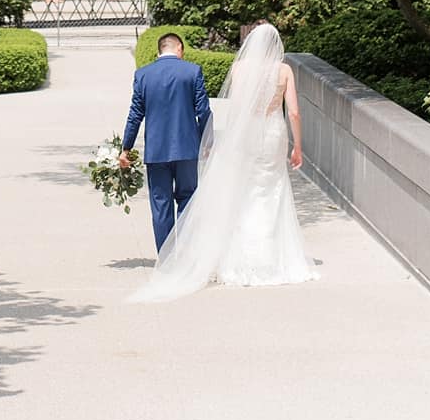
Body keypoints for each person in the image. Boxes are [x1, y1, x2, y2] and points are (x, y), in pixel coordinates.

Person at [130, 21, 315, 301]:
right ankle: (274, 258)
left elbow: (237, 106)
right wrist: (297, 145)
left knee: (244, 192)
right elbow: (296, 113)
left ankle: (232, 258)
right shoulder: (284, 70)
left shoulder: (240, 69)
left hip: (247, 134)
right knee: (271, 191)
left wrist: (226, 140)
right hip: (273, 134)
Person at [119, 31, 212, 251]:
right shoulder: (192, 71)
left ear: (159, 50)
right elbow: (204, 111)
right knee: (188, 200)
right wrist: (206, 142)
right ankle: (187, 258)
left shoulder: (143, 75)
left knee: (160, 205)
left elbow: (135, 114)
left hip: (157, 151)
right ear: (179, 48)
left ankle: (166, 258)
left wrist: (126, 148)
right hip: (187, 149)